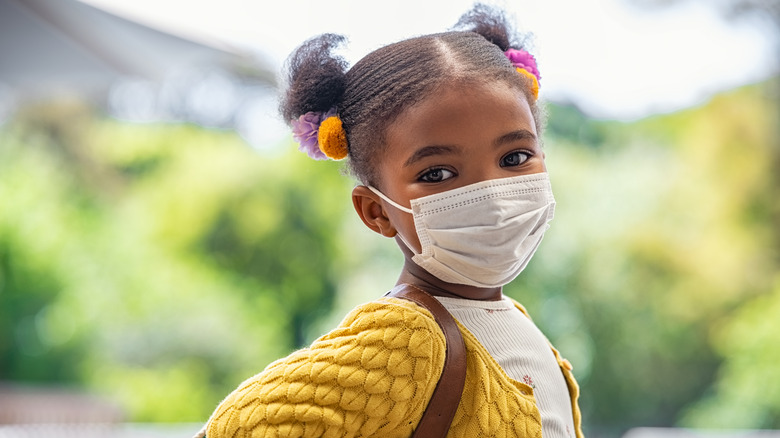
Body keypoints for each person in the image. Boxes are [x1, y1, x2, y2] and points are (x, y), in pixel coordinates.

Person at [197, 3, 583, 437]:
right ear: (376, 211)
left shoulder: (510, 318)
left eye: (515, 157)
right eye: (436, 173)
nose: (491, 194)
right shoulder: (408, 338)